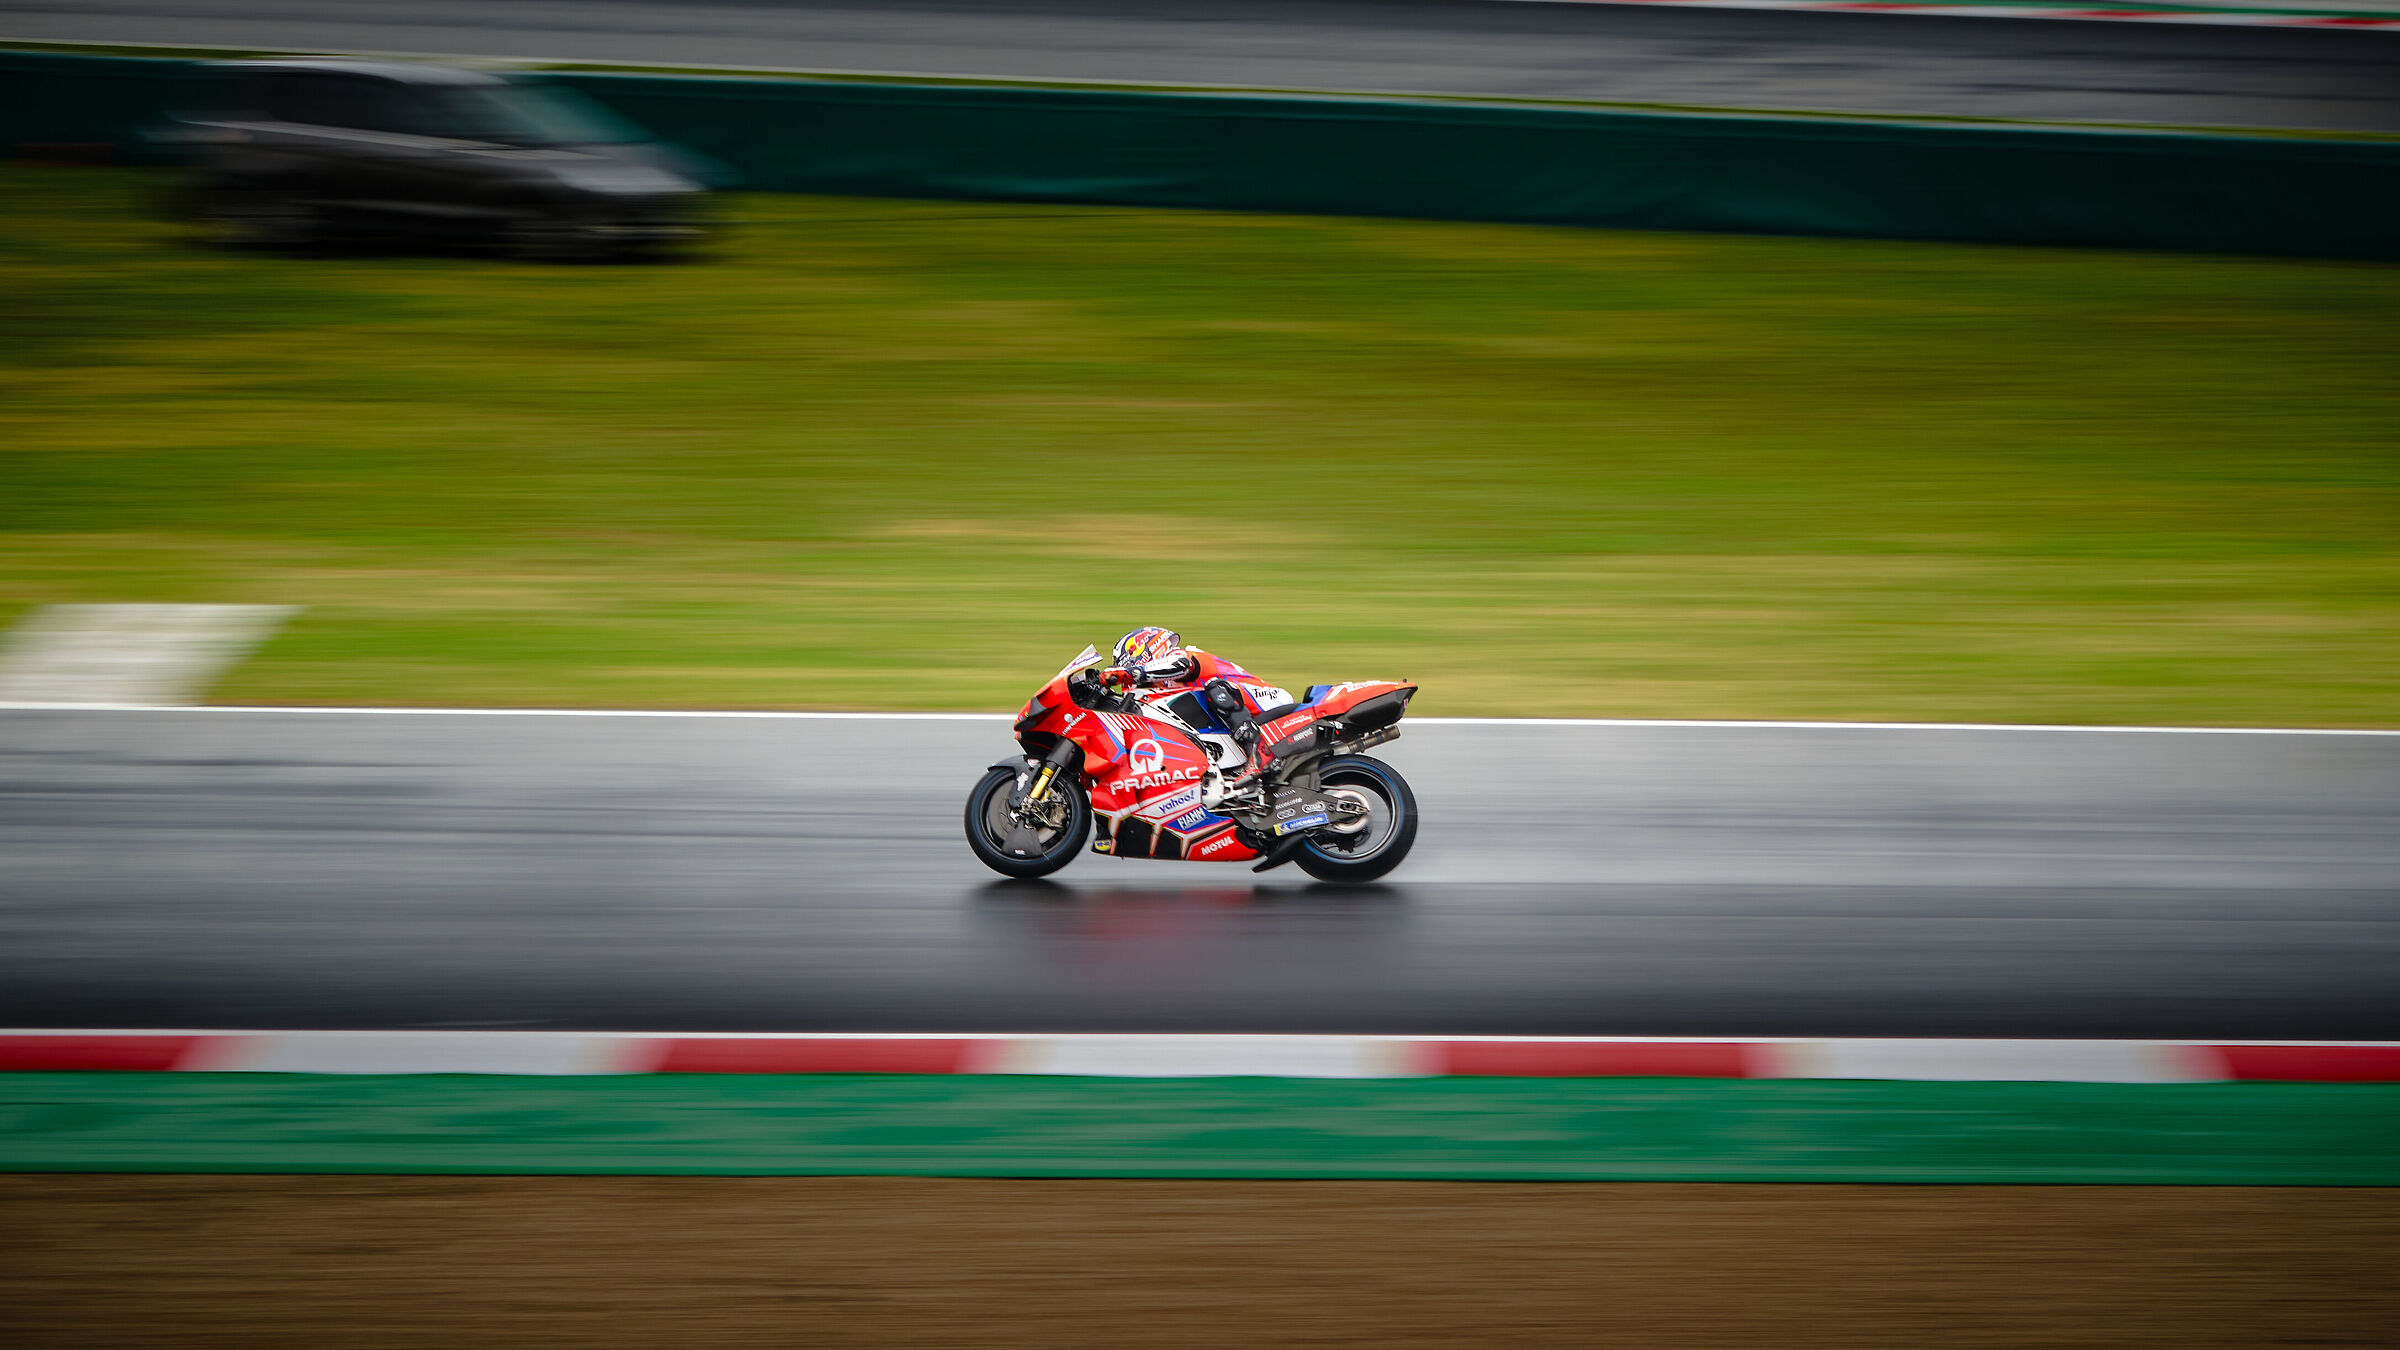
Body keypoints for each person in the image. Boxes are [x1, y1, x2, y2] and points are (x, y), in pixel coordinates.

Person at [1103, 626, 1295, 788]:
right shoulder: (1161, 688)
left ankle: (1260, 754)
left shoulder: (1179, 655)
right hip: (1238, 716)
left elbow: (1181, 665)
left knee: (1215, 688)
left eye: (1126, 662)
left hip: (1266, 699)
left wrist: (1134, 672)